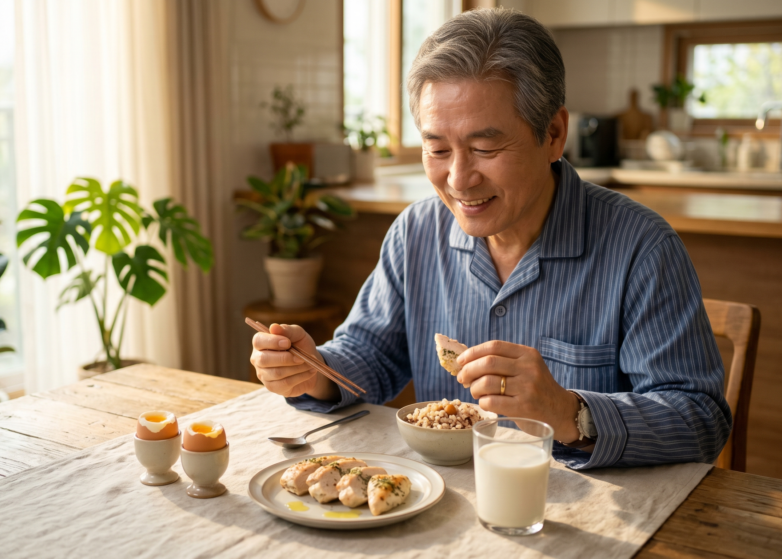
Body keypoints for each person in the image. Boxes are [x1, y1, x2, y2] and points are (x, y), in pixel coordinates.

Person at [250, 8, 731, 469]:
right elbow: (370, 355)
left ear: (553, 134)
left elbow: (701, 421)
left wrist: (569, 412)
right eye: (438, 149)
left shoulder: (642, 247)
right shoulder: (415, 233)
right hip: (444, 505)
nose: (459, 179)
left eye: (484, 147)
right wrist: (313, 371)